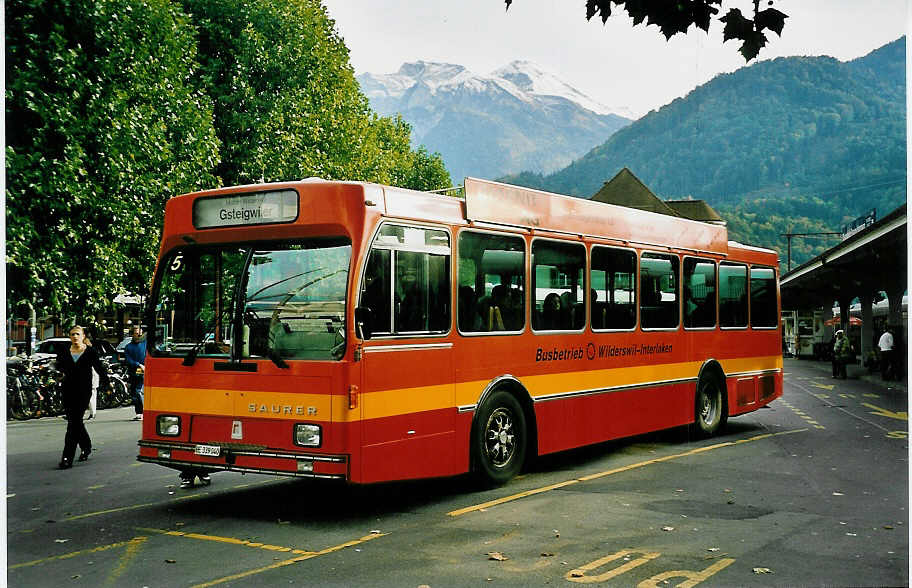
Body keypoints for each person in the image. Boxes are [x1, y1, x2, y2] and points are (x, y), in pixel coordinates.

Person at [56, 325, 110, 469]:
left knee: (73, 423)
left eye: (77, 334)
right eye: (72, 334)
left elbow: (99, 368)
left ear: (83, 336)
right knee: (76, 422)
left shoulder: (90, 352)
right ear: (69, 336)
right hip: (68, 390)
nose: (75, 337)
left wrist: (107, 385)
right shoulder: (63, 351)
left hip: (83, 391)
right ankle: (86, 446)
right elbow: (59, 367)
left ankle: (67, 457)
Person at [124, 326, 146, 420]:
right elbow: (128, 360)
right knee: (133, 392)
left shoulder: (146, 344)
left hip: (144, 371)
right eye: (137, 333)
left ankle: (141, 412)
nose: (139, 336)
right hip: (133, 372)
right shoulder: (128, 347)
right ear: (132, 334)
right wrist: (138, 364)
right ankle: (139, 412)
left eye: (140, 334)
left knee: (137, 391)